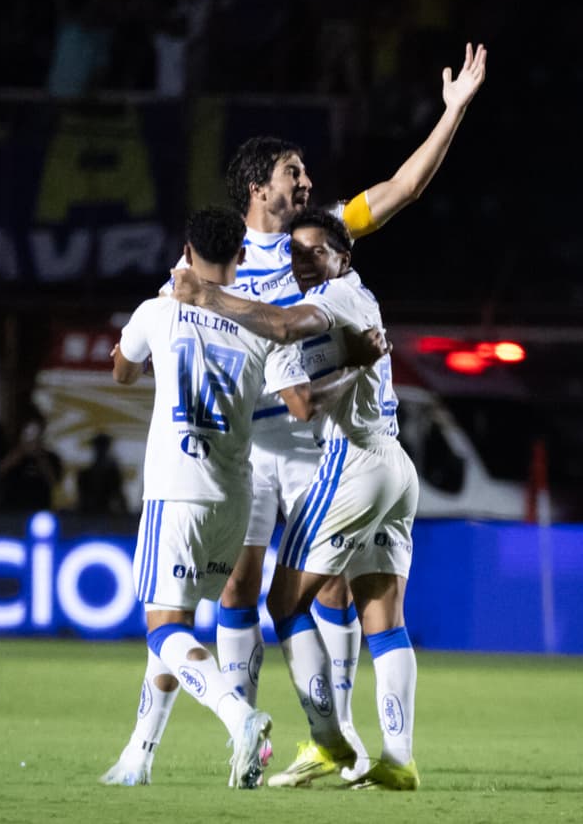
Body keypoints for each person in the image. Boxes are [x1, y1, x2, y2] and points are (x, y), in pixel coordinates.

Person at [139, 40, 486, 783]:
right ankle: (250, 740)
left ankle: (335, 735)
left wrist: (453, 110)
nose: (309, 181)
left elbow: (401, 188)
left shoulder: (324, 238)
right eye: (295, 172)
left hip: (322, 444)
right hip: (251, 452)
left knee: (330, 591)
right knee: (243, 591)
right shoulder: (216, 256)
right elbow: (180, 330)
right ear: (261, 188)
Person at [172, 208, 420, 791]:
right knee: (383, 619)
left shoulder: (337, 296)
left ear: (344, 257)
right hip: (395, 464)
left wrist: (206, 295)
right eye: (296, 254)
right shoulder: (354, 308)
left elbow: (285, 332)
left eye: (316, 251)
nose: (304, 262)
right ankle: (399, 758)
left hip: (353, 461)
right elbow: (311, 389)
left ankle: (329, 740)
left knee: (283, 604)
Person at [101, 205, 313, 790]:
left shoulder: (159, 310)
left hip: (177, 490)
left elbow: (121, 372)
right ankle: (139, 755)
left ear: (186, 252)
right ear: (241, 257)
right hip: (233, 500)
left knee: (164, 630)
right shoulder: (258, 324)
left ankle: (240, 718)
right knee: (179, 625)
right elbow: (297, 395)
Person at [0, 408, 63, 511]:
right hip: (11, 509)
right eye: (28, 434)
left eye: (36, 434)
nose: (32, 439)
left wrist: (40, 457)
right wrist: (20, 452)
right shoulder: (10, 453)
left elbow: (53, 482)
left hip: (40, 510)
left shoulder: (51, 457)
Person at [77, 432, 128, 515]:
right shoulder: (85, 475)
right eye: (100, 447)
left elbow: (119, 496)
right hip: (89, 516)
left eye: (104, 447)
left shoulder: (113, 474)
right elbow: (82, 500)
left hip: (108, 516)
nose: (101, 450)